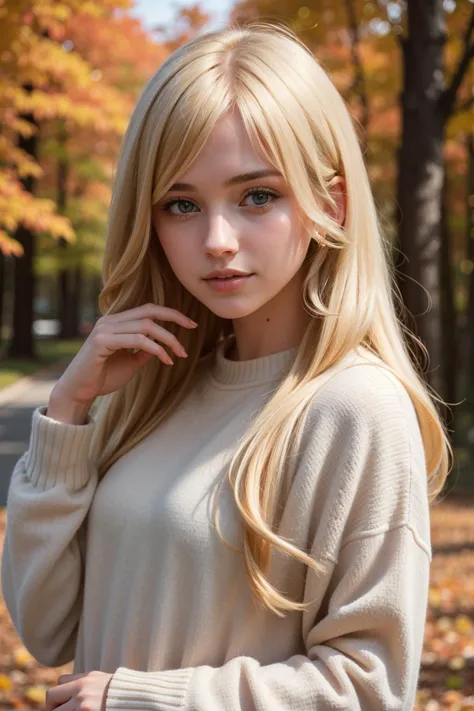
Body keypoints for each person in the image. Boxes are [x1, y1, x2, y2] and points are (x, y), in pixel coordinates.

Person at [1, 21, 452, 711]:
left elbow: (369, 687)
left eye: (257, 196)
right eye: (182, 204)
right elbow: (47, 626)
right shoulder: (150, 390)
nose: (216, 240)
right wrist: (68, 409)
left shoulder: (356, 407)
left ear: (328, 204)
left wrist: (144, 699)